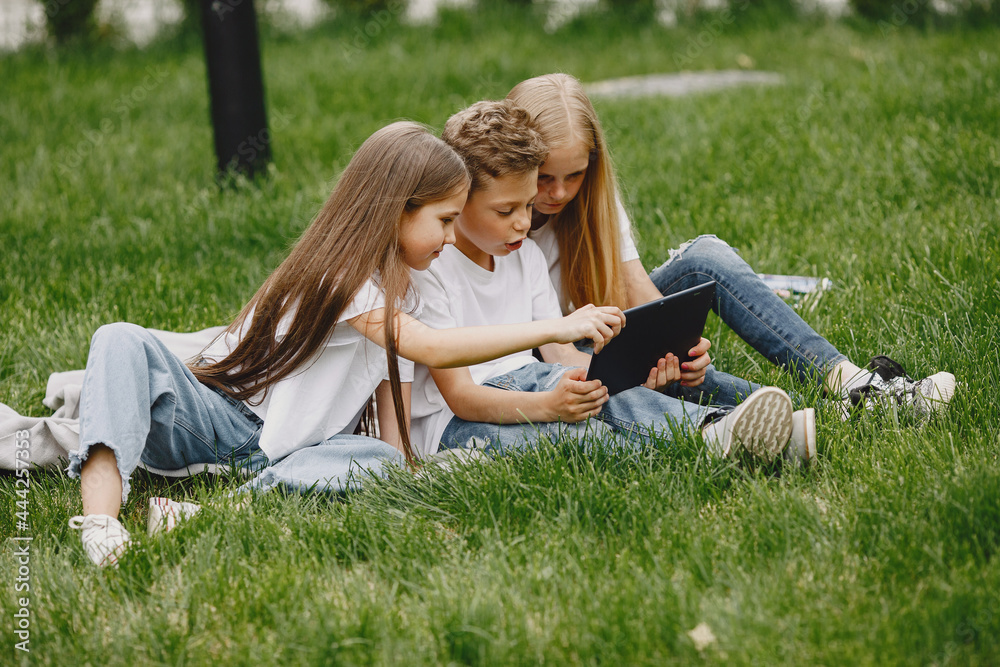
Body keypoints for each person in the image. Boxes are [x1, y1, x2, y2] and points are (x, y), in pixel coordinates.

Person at [66, 122, 626, 567]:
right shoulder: (345, 276)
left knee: (380, 462)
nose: (453, 237)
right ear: (396, 209)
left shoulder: (408, 286)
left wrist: (404, 461)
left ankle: (207, 510)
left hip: (285, 451)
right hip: (217, 420)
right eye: (445, 220)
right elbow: (432, 348)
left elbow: (395, 402)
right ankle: (102, 522)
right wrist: (556, 327)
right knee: (118, 339)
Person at [506, 72, 957, 449]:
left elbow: (637, 291)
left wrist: (675, 345)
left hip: (592, 334)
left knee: (703, 261)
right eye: (544, 177)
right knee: (650, 375)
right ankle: (809, 415)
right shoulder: (505, 218)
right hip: (549, 357)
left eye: (575, 175)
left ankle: (848, 381)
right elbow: (552, 352)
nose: (560, 193)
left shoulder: (594, 203)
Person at [409, 100, 797, 462]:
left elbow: (562, 358)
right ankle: (717, 441)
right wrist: (550, 406)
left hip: (537, 382)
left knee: (595, 391)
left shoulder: (525, 255)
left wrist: (624, 377)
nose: (525, 223)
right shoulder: (430, 269)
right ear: (458, 199)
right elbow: (461, 397)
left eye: (529, 205)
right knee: (581, 443)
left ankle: (731, 424)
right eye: (506, 210)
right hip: (460, 422)